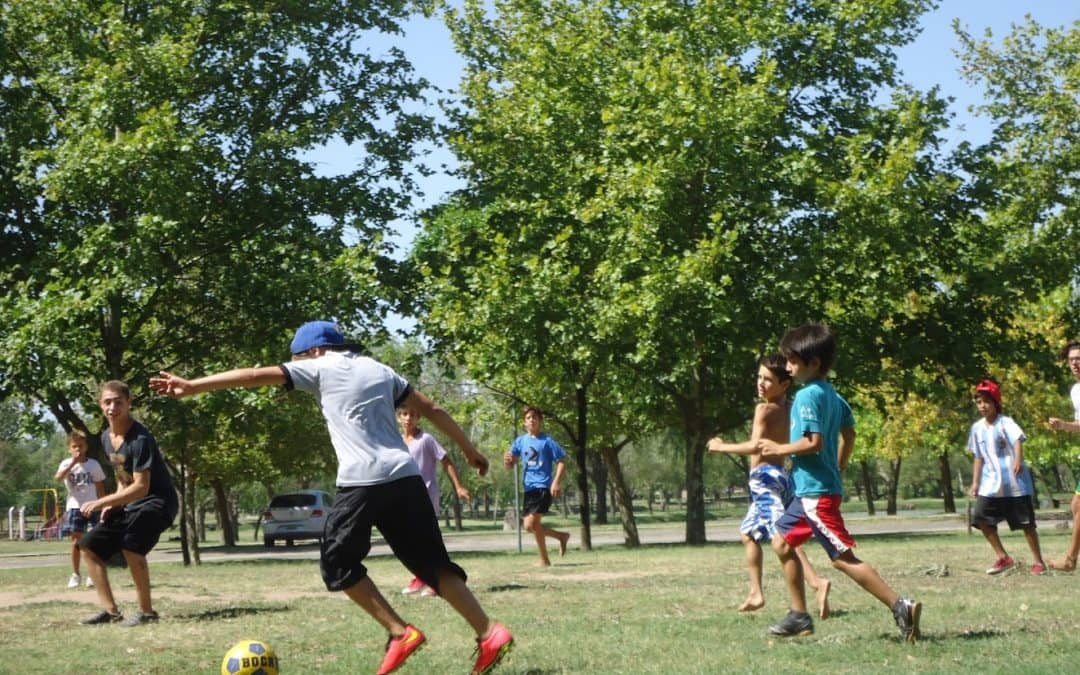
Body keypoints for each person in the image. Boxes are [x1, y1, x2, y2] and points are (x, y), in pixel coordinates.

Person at [149, 321, 513, 675]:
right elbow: (432, 408)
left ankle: (401, 633)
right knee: (433, 564)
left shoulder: (319, 366)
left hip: (362, 481)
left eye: (298, 359)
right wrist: (469, 449)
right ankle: (489, 632)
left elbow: (252, 375)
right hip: (405, 476)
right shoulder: (380, 369)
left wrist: (193, 385)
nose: (296, 368)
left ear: (313, 350)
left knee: (337, 562)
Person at [756, 324, 921, 642]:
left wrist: (779, 449)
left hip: (815, 494)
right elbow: (849, 433)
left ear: (813, 362)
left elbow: (813, 442)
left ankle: (901, 606)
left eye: (792, 361)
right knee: (781, 542)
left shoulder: (806, 396)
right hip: (812, 490)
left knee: (842, 558)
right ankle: (799, 616)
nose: (787, 367)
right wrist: (840, 466)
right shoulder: (833, 395)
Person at [707, 354, 831, 618]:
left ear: (784, 384)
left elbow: (755, 445)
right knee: (749, 533)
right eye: (759, 377)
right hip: (782, 477)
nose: (761, 384)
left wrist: (721, 447)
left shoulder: (763, 409)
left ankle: (816, 582)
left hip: (764, 478)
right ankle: (756, 593)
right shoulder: (791, 408)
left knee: (783, 537)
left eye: (768, 379)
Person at [77, 380, 178, 627]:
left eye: (118, 402)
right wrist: (113, 505)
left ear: (128, 403)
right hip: (132, 503)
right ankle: (111, 612)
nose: (113, 407)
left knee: (132, 543)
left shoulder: (141, 438)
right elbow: (124, 479)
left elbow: (141, 486)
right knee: (88, 546)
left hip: (158, 502)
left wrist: (102, 501)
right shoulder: (105, 438)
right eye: (107, 402)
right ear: (101, 405)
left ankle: (147, 613)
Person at [968, 379, 1046, 575]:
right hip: (990, 486)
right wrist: (975, 482)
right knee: (980, 518)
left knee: (1026, 524)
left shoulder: (1006, 422)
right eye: (979, 402)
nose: (982, 406)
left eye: (987, 401)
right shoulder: (977, 429)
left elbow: (1018, 439)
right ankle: (1003, 557)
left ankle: (1038, 562)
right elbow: (978, 456)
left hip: (1014, 483)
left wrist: (1018, 459)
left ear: (996, 403)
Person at [397, 402, 472, 597]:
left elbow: (446, 461)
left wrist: (458, 486)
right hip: (405, 497)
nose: (408, 418)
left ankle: (436, 581)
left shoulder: (426, 439)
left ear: (418, 417)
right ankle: (421, 578)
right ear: (399, 418)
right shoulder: (396, 441)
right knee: (411, 542)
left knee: (426, 540)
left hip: (426, 495)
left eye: (412, 414)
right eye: (404, 414)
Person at [504, 406, 570, 567]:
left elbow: (562, 460)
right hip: (528, 488)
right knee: (530, 527)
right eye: (528, 418)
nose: (531, 420)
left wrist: (556, 482)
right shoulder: (520, 441)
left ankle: (545, 559)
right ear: (524, 422)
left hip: (543, 487)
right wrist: (507, 460)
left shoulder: (547, 441)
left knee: (530, 525)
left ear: (540, 421)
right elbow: (511, 464)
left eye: (535, 417)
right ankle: (560, 538)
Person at [55, 430, 106, 589]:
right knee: (76, 541)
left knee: (93, 541)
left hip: (93, 506)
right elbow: (58, 478)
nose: (78, 449)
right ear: (69, 448)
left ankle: (93, 574)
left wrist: (103, 506)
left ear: (86, 447)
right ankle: (76, 574)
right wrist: (73, 463)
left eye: (81, 446)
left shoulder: (93, 464)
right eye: (74, 446)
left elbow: (100, 487)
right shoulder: (65, 463)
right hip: (75, 507)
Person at [1048, 340, 1080, 572]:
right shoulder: (1076, 391)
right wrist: (1063, 425)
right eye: (1071, 360)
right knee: (1077, 505)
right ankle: (1070, 559)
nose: (1075, 363)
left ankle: (1070, 560)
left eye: (1078, 358)